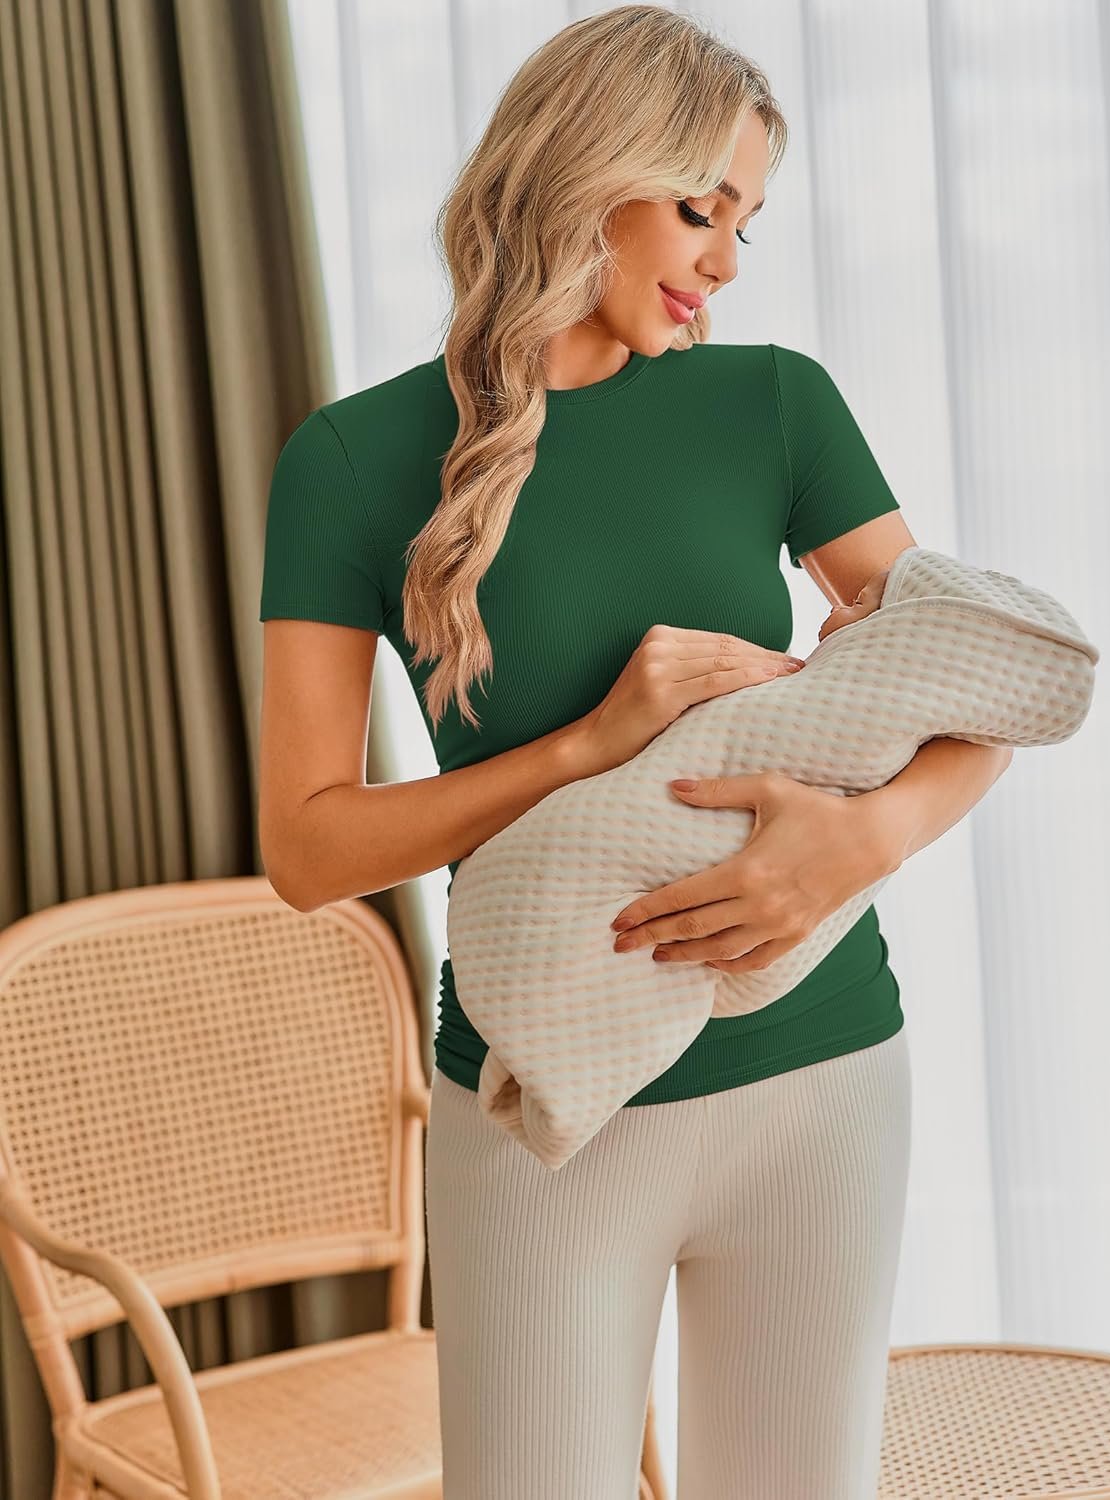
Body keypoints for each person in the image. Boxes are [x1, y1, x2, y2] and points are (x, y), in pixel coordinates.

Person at [258, 8, 946, 1497]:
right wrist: (588, 743)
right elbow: (307, 851)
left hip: (822, 1073)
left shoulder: (774, 403)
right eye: (701, 209)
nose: (725, 260)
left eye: (746, 224)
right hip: (541, 1105)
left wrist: (866, 838)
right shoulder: (349, 464)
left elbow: (973, 675)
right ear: (587, 172)